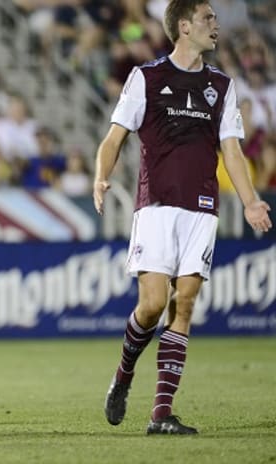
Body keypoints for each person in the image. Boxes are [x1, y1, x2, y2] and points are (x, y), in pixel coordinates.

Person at [93, 0, 272, 435]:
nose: (217, 24)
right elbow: (114, 137)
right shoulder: (147, 78)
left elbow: (231, 149)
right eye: (209, 18)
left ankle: (161, 413)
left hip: (203, 208)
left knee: (185, 303)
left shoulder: (222, 85)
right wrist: (101, 179)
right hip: (155, 205)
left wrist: (250, 201)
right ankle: (123, 374)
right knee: (153, 304)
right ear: (185, 27)